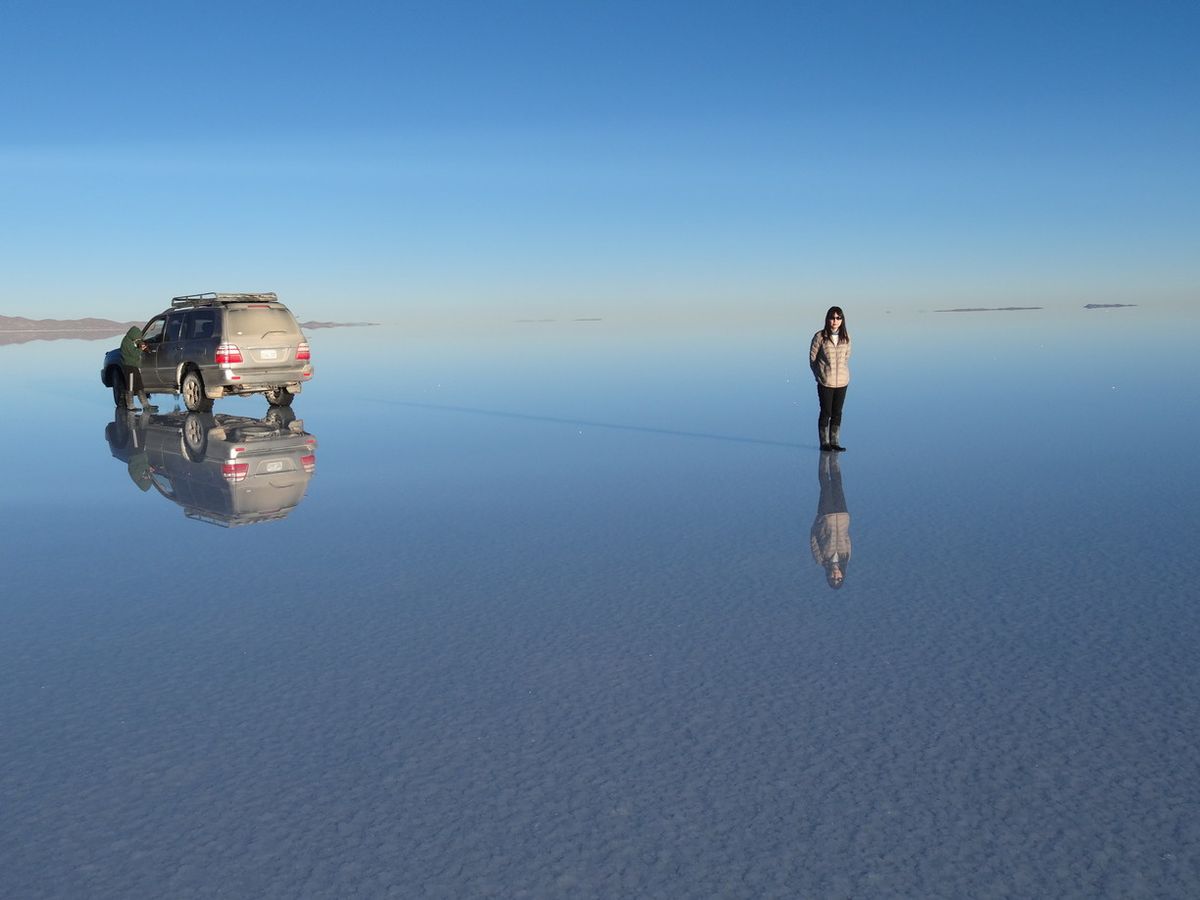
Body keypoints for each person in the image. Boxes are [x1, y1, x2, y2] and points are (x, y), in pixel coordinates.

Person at [809, 306, 850, 451]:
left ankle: (835, 442)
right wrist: (820, 375)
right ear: (827, 319)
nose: (835, 321)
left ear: (842, 320)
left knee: (837, 413)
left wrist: (843, 373)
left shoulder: (846, 337)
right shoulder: (820, 337)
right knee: (826, 412)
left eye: (838, 318)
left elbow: (846, 357)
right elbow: (813, 359)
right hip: (826, 382)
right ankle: (824, 443)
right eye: (832, 318)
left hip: (842, 382)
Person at [810, 451, 850, 589]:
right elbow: (847, 538)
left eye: (833, 578)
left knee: (825, 485)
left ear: (828, 576)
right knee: (838, 484)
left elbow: (813, 536)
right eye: (839, 578)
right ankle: (834, 457)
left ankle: (824, 455)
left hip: (826, 515)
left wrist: (819, 519)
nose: (836, 575)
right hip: (842, 514)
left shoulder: (821, 559)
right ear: (843, 575)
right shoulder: (846, 557)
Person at [119, 326, 155, 413]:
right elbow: (134, 354)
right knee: (130, 386)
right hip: (129, 367)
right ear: (133, 335)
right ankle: (130, 406)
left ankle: (146, 406)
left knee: (139, 386)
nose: (138, 339)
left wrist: (142, 344)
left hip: (134, 367)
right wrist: (141, 349)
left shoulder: (132, 340)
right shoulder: (126, 343)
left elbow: (139, 342)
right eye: (137, 337)